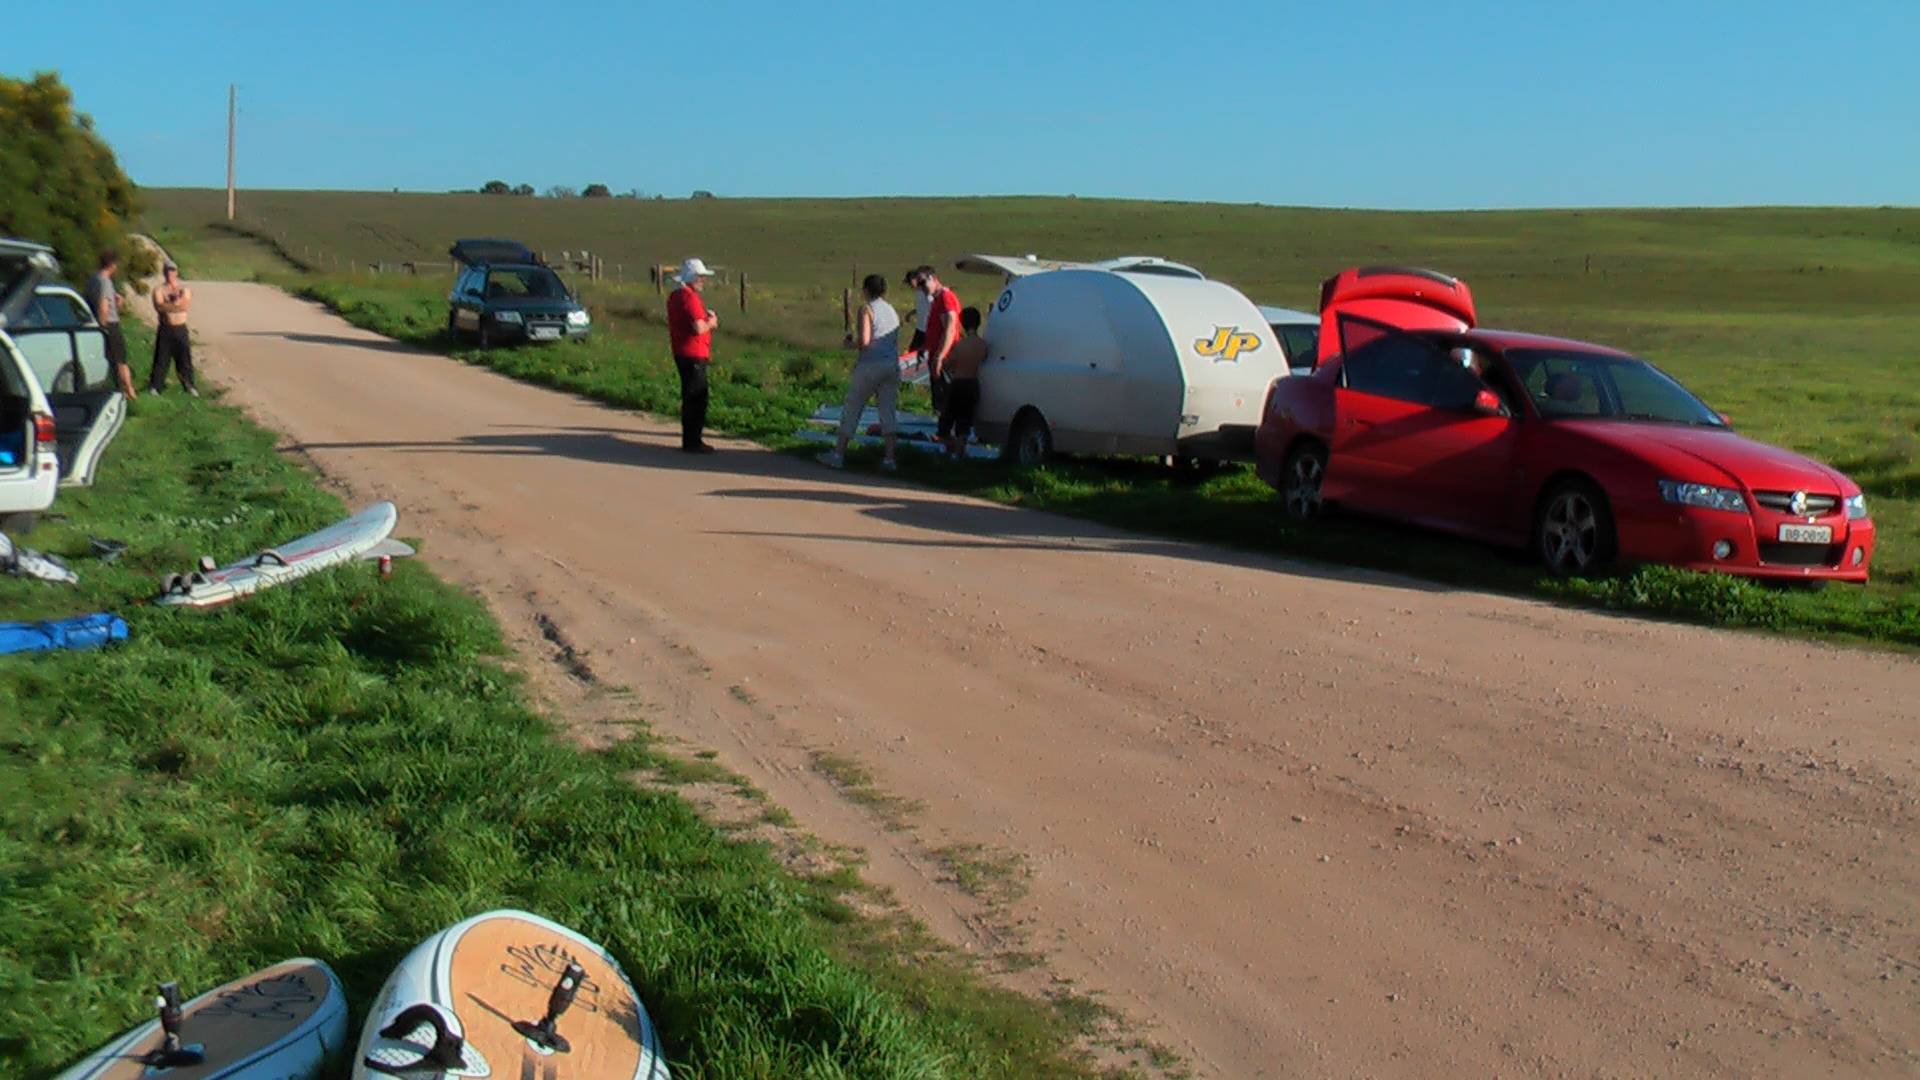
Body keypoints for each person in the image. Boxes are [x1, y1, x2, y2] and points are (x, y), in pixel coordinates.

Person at [818, 274, 901, 471]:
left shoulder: (867, 309)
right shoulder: (891, 310)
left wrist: (850, 344)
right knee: (887, 410)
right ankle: (890, 458)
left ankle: (838, 453)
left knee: (853, 406)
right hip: (891, 364)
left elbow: (864, 340)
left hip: (870, 365)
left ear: (865, 290)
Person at [666, 257, 720, 453]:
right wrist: (711, 322)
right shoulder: (689, 298)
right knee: (697, 398)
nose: (703, 281)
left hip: (682, 351)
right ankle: (693, 442)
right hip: (693, 353)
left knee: (691, 397)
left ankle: (691, 439)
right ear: (692, 278)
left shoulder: (675, 296)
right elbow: (698, 327)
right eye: (700, 277)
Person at [85, 252, 137, 401]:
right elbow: (103, 304)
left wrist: (116, 303)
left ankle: (114, 388)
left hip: (92, 323)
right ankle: (129, 391)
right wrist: (104, 324)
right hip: (109, 325)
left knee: (107, 359)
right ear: (112, 265)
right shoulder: (105, 282)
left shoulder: (92, 279)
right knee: (120, 360)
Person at [939, 307, 987, 458]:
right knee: (965, 420)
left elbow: (949, 364)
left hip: (958, 383)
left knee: (947, 418)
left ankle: (950, 449)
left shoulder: (960, 345)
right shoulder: (983, 345)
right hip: (973, 384)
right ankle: (961, 451)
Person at [148, 262, 198, 396]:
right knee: (161, 359)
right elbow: (159, 307)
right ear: (164, 273)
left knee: (184, 359)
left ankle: (189, 386)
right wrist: (175, 304)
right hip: (166, 328)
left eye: (172, 271)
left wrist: (169, 305)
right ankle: (155, 387)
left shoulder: (184, 289)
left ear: (176, 272)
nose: (170, 274)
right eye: (167, 271)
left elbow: (185, 306)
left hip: (180, 328)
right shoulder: (159, 290)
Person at [919, 268, 961, 414]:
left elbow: (950, 329)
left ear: (933, 278)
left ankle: (947, 433)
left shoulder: (945, 298)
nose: (921, 287)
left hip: (945, 357)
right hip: (936, 354)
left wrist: (940, 357)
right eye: (918, 284)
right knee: (940, 401)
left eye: (923, 282)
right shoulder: (937, 300)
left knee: (945, 402)